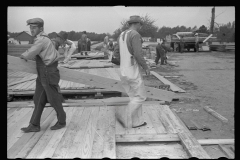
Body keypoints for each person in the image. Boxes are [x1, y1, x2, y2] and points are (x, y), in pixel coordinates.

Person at [19, 18, 66, 133]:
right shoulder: (42, 39)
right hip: (43, 72)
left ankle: (62, 121)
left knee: (53, 98)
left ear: (41, 28)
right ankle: (34, 124)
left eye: (34, 28)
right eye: (30, 28)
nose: (31, 30)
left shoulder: (42, 40)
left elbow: (31, 53)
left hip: (48, 71)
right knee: (38, 99)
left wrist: (22, 56)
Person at [115, 15, 150, 129]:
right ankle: (124, 115)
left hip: (123, 69)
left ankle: (136, 122)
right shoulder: (135, 35)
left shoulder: (121, 35)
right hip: (132, 69)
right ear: (137, 24)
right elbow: (138, 54)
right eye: (140, 24)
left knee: (134, 96)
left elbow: (116, 52)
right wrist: (146, 67)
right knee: (141, 96)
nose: (140, 26)